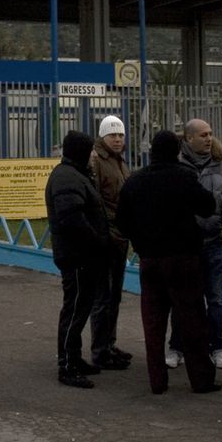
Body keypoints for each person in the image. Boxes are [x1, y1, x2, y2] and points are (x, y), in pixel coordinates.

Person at [117, 129, 220, 394]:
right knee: (192, 320)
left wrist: (141, 242)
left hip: (150, 260)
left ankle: (157, 381)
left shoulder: (135, 182)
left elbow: (122, 223)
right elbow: (207, 206)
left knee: (153, 323)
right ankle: (201, 380)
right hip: (184, 259)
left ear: (152, 152)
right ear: (177, 151)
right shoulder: (184, 177)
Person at [171, 118, 222, 371]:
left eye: (210, 134)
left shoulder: (220, 166)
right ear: (189, 139)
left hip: (213, 242)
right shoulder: (178, 166)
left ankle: (218, 347)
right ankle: (177, 347)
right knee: (182, 299)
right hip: (186, 244)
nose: (209, 138)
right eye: (203, 135)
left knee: (215, 298)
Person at [45, 129, 114, 389]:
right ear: (82, 152)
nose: (94, 155)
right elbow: (72, 218)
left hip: (82, 255)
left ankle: (74, 357)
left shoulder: (74, 174)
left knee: (81, 307)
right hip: (77, 257)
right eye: (90, 151)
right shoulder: (66, 178)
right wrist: (98, 241)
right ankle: (67, 365)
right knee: (74, 310)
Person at [88, 114, 133, 370]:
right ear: (103, 137)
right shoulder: (96, 161)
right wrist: (104, 233)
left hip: (120, 236)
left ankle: (109, 343)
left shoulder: (119, 161)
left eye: (120, 135)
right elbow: (95, 202)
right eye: (113, 135)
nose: (117, 139)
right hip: (106, 238)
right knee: (102, 297)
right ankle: (99, 350)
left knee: (114, 295)